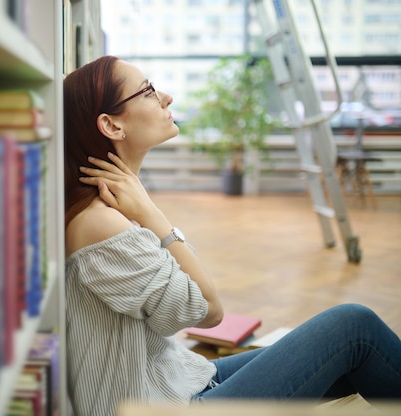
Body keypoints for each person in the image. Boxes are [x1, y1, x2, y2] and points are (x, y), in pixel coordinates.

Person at [63, 55, 401, 416]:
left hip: (180, 380)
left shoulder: (109, 211)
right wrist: (153, 216)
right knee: (354, 328)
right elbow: (208, 312)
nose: (166, 97)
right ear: (111, 126)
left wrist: (147, 213)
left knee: (348, 359)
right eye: (147, 91)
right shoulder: (103, 224)